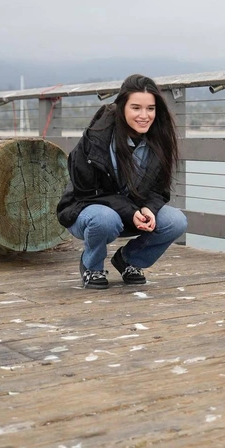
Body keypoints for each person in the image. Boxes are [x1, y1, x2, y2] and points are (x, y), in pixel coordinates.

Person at [57, 74, 188, 289]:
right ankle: (92, 266)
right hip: (87, 210)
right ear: (121, 107)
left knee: (176, 221)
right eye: (136, 108)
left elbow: (159, 190)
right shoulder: (97, 136)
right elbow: (86, 193)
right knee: (104, 219)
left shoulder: (159, 138)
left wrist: (148, 208)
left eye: (150, 109)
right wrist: (129, 211)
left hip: (131, 212)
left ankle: (129, 260)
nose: (144, 116)